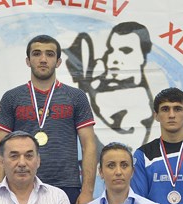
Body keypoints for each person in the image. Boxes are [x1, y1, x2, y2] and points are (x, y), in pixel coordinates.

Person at [0, 34, 96, 204]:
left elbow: (89, 145)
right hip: (21, 184)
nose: (43, 59)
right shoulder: (12, 97)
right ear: (28, 61)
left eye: (50, 54)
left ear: (58, 62)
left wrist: (87, 191)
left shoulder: (76, 97)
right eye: (37, 53)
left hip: (67, 185)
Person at [64, 22, 154, 150]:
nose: (114, 58)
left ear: (143, 56)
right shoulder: (103, 84)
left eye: (126, 51)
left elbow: (122, 143)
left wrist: (86, 89)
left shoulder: (140, 98)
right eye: (111, 50)